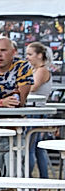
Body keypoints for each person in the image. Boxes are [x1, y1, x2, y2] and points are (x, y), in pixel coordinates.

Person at [25, 42, 55, 177]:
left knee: (30, 147)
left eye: (30, 54)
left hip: (35, 112)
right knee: (37, 148)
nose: (27, 57)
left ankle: (27, 177)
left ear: (40, 55)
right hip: (35, 111)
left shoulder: (42, 70)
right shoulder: (36, 70)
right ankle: (43, 178)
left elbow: (32, 87)